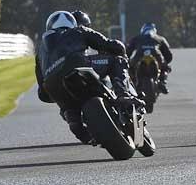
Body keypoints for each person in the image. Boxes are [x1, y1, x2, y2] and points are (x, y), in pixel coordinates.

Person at [35, 10, 140, 144]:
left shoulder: (40, 51)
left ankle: (74, 121)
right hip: (79, 68)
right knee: (117, 60)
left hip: (52, 85)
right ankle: (122, 94)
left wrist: (53, 93)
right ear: (72, 23)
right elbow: (108, 44)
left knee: (69, 110)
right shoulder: (79, 30)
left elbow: (42, 90)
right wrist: (120, 49)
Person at [127, 23, 173, 94]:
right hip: (156, 55)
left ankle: (133, 84)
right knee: (165, 67)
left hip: (139, 55)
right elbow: (169, 55)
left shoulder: (136, 38)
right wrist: (166, 62)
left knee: (129, 67)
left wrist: (127, 60)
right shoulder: (160, 38)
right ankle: (162, 82)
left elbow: (127, 52)